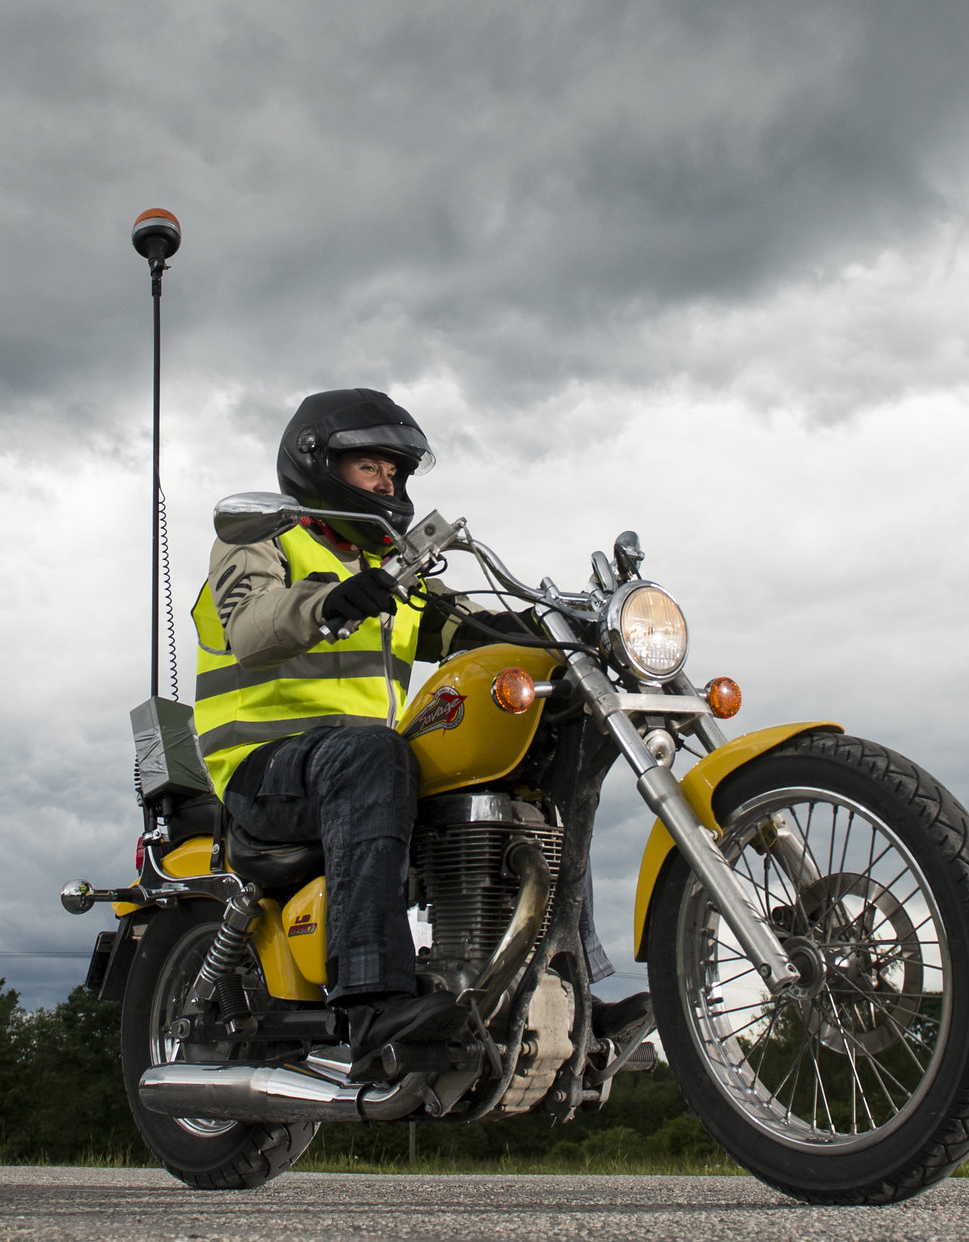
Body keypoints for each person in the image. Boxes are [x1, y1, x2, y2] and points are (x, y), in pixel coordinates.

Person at [190, 388, 647, 1078]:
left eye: (396, 473)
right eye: (370, 468)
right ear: (316, 462)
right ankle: (371, 1000)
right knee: (377, 752)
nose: (389, 484)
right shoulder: (260, 538)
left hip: (359, 770)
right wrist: (328, 600)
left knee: (539, 750)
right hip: (265, 771)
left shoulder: (394, 565)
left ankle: (559, 982)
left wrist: (564, 638)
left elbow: (472, 628)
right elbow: (253, 628)